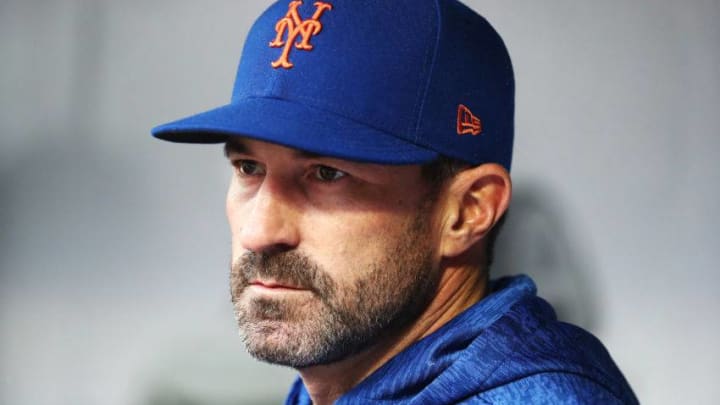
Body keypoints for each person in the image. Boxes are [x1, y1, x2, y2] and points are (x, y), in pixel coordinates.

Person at [152, 0, 639, 404]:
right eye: (248, 169)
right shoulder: (349, 378)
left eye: (327, 174)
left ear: (468, 211)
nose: (259, 232)